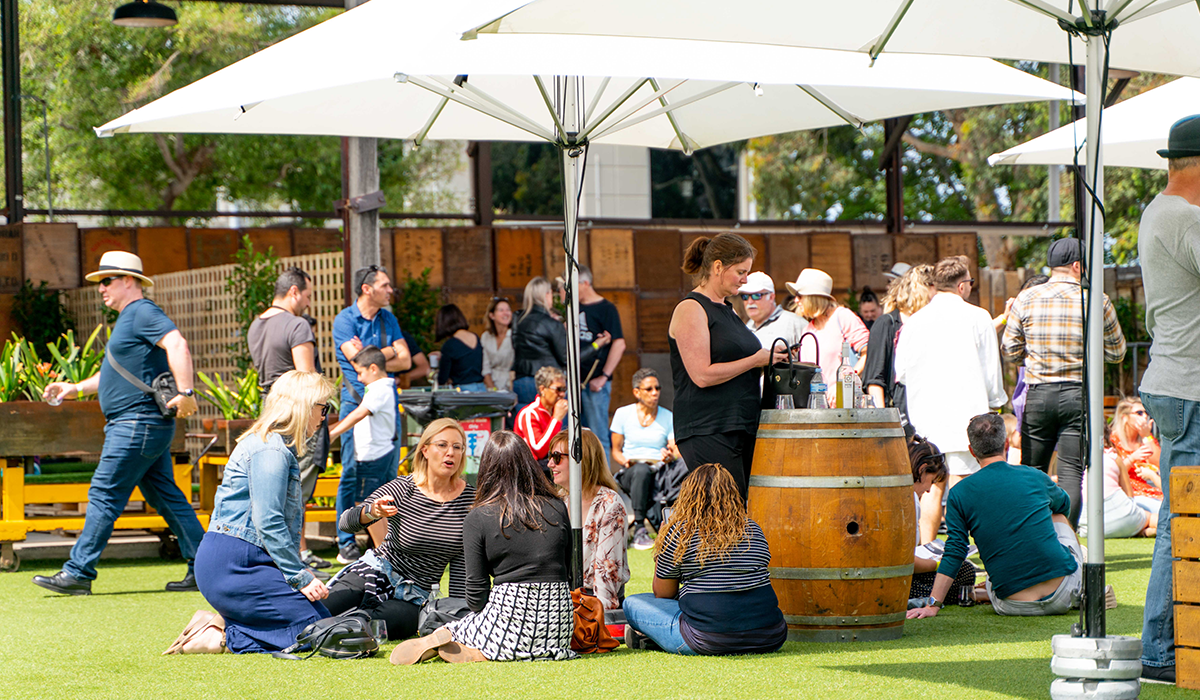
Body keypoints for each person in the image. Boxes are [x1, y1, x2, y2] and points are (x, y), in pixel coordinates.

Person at [36, 251, 203, 596]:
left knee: (103, 493)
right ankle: (205, 568)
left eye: (107, 280)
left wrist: (186, 391)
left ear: (130, 281)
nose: (101, 288)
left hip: (136, 424)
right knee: (167, 497)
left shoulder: (142, 311)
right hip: (142, 425)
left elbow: (177, 344)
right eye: (100, 282)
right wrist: (74, 388)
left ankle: (79, 571)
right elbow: (115, 373)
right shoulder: (130, 318)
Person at [388, 430, 575, 664]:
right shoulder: (557, 506)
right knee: (516, 636)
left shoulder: (478, 516)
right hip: (560, 624)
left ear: (488, 469)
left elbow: (476, 594)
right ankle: (480, 649)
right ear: (529, 464)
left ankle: (459, 640)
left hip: (510, 618)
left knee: (460, 624)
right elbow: (568, 571)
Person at [193, 370, 334, 653]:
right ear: (304, 406)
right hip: (236, 562)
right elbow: (268, 521)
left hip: (238, 558)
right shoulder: (271, 450)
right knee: (320, 631)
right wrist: (300, 576)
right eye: (323, 408)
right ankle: (218, 636)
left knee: (324, 626)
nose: (324, 417)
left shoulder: (270, 444)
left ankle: (224, 624)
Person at [906, 413, 1083, 619]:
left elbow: (955, 550)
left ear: (972, 451)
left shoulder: (959, 493)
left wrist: (933, 605)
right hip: (1062, 596)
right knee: (1058, 516)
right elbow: (1064, 506)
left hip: (1011, 604)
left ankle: (983, 590)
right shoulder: (1035, 476)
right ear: (1006, 444)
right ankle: (1081, 580)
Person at [1002, 237, 1127, 528]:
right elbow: (1118, 352)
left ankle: (1031, 540)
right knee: (1072, 473)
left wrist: (1033, 359)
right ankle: (1067, 539)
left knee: (1032, 471)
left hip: (1039, 393)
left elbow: (1009, 350)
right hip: (1078, 394)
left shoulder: (1027, 298)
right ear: (1077, 266)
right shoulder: (1096, 299)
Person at [1137, 114, 1200, 685]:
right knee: (1184, 520)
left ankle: (1166, 646)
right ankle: (1158, 651)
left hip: (1174, 382)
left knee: (1182, 517)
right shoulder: (1184, 218)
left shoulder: (1159, 211)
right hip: (1191, 389)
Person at [325, 418, 474, 641]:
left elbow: (462, 569)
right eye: (442, 445)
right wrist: (372, 513)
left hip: (414, 596)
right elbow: (345, 523)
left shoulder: (470, 501)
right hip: (377, 572)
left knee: (378, 625)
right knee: (322, 610)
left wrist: (459, 616)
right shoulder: (404, 488)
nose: (450, 452)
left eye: (457, 447)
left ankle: (334, 629)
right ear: (425, 450)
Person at [895, 256, 1007, 544]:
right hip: (966, 416)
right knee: (963, 489)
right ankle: (961, 554)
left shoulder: (915, 321)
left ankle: (927, 551)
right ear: (961, 286)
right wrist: (995, 404)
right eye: (969, 282)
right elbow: (992, 371)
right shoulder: (979, 316)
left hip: (927, 418)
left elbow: (901, 372)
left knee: (931, 487)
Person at [623, 463, 787, 656]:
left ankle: (655, 638)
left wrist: (662, 545)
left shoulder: (680, 533)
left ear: (687, 496)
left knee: (633, 603)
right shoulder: (753, 529)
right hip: (770, 636)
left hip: (708, 639)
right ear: (733, 494)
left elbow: (663, 593)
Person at [670, 233, 783, 501]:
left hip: (739, 425)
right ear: (718, 267)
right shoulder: (691, 308)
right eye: (741, 272)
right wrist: (756, 360)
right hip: (708, 428)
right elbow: (701, 375)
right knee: (724, 515)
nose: (745, 280)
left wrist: (772, 359)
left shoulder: (727, 309)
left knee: (742, 513)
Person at [247, 266, 331, 574]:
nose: (308, 302)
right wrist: (319, 410)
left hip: (269, 407)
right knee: (295, 485)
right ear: (294, 291)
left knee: (273, 484)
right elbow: (306, 379)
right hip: (297, 411)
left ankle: (290, 554)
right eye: (307, 295)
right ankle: (293, 560)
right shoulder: (297, 324)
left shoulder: (256, 325)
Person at [332, 265, 411, 564]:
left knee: (389, 473)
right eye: (386, 285)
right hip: (355, 402)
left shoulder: (388, 318)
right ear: (367, 289)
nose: (391, 290)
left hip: (387, 405)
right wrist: (387, 350)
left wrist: (374, 353)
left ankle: (385, 543)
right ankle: (346, 542)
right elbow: (359, 363)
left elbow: (404, 360)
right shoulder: (344, 319)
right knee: (351, 472)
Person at [547, 429, 629, 612]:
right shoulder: (559, 500)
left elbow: (606, 583)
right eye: (550, 456)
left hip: (593, 604)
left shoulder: (610, 505)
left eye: (557, 457)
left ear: (581, 459)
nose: (550, 463)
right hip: (560, 599)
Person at [328, 346, 397, 548]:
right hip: (377, 455)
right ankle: (386, 551)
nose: (358, 378)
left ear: (373, 368)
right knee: (378, 504)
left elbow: (360, 413)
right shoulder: (382, 387)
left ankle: (383, 554)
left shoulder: (380, 389)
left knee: (369, 506)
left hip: (372, 457)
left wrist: (333, 433)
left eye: (360, 372)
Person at [610, 367, 683, 547]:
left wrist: (669, 455)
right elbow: (616, 450)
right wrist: (624, 461)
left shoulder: (667, 416)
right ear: (636, 392)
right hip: (631, 471)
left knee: (684, 465)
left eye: (657, 388)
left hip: (658, 470)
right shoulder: (622, 414)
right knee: (641, 470)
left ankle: (675, 524)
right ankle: (640, 527)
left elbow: (676, 450)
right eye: (649, 389)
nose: (655, 393)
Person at [863, 263, 935, 431]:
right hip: (899, 417)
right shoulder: (886, 324)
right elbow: (875, 379)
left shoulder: (930, 323)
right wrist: (883, 425)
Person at [907, 436, 978, 605]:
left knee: (962, 570)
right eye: (931, 481)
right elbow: (905, 562)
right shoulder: (910, 499)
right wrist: (938, 564)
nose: (929, 489)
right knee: (961, 572)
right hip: (898, 578)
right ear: (922, 470)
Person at [786, 268, 869, 399]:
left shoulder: (842, 316)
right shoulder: (807, 329)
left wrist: (846, 383)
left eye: (800, 295)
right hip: (817, 406)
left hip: (847, 403)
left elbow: (869, 353)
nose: (796, 300)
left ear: (814, 297)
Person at [576, 265, 626, 454]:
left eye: (573, 285)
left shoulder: (606, 308)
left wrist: (604, 376)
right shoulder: (574, 307)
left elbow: (619, 343)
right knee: (576, 436)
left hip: (595, 383)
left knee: (597, 437)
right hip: (574, 383)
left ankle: (602, 480)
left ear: (585, 283)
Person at [1079, 427, 1158, 539]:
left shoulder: (1076, 460)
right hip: (1125, 517)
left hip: (1089, 527)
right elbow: (1129, 495)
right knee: (1150, 517)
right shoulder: (1113, 457)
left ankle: (1142, 532)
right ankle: (1163, 527)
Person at [511, 276, 567, 408]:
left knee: (525, 422)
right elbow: (566, 358)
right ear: (546, 294)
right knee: (555, 424)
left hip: (523, 379)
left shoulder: (518, 320)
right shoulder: (552, 324)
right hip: (549, 382)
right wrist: (596, 345)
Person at [1110, 397, 1164, 510]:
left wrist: (1146, 436)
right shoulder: (1113, 440)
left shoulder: (1145, 438)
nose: (1145, 416)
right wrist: (1132, 458)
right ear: (1124, 417)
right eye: (1139, 413)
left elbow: (1159, 464)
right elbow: (1111, 470)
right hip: (1126, 492)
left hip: (1146, 490)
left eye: (1146, 412)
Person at [737, 271, 808, 349]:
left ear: (771, 297)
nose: (750, 302)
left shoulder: (794, 323)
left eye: (756, 296)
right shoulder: (746, 327)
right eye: (745, 297)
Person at [514, 366, 568, 465]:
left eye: (564, 389)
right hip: (531, 470)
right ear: (543, 389)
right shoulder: (529, 413)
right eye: (558, 389)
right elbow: (539, 450)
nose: (562, 394)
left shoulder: (556, 410)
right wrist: (556, 419)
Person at [433, 303, 486, 392]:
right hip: (481, 388)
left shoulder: (449, 345)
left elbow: (442, 379)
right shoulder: (475, 337)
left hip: (463, 391)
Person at [482, 296, 515, 392]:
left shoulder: (515, 335)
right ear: (492, 315)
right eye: (501, 310)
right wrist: (493, 390)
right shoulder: (486, 337)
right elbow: (485, 367)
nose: (506, 313)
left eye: (508, 310)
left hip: (511, 385)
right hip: (490, 385)